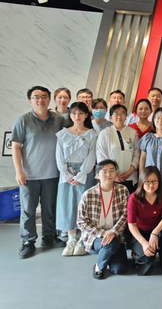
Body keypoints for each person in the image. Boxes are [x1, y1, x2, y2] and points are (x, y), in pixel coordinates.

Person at [12, 86, 67, 258]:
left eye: (44, 96)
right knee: (28, 210)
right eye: (36, 97)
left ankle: (49, 237)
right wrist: (19, 172)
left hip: (53, 174)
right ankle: (28, 241)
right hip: (29, 175)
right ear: (30, 100)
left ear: (49, 99)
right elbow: (16, 147)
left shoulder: (59, 119)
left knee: (49, 209)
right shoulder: (23, 120)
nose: (40, 100)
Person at [55, 101, 98, 256]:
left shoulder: (92, 134)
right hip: (66, 174)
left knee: (84, 205)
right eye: (74, 113)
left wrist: (81, 175)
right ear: (70, 115)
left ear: (86, 115)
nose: (77, 116)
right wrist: (66, 174)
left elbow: (92, 156)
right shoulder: (62, 134)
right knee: (67, 205)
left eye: (81, 113)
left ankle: (82, 240)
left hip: (85, 174)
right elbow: (59, 156)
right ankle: (71, 239)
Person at [77, 160, 129, 280]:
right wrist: (103, 233)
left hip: (116, 235)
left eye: (112, 171)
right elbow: (81, 221)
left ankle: (106, 254)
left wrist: (113, 232)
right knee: (111, 243)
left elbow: (125, 215)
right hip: (94, 237)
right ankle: (98, 267)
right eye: (104, 172)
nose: (108, 174)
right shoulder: (88, 194)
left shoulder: (122, 190)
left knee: (119, 269)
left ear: (116, 173)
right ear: (97, 174)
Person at [127, 166, 162, 275]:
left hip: (156, 230)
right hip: (140, 233)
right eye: (147, 181)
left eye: (154, 181)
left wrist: (155, 233)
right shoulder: (134, 198)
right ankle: (137, 255)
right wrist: (144, 243)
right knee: (147, 262)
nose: (151, 185)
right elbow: (131, 225)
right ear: (142, 182)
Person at [96, 104, 140, 193]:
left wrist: (129, 171)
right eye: (116, 113)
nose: (119, 116)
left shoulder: (133, 133)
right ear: (110, 117)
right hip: (110, 178)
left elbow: (137, 153)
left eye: (122, 113)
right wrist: (114, 175)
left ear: (126, 117)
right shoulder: (104, 134)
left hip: (130, 177)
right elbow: (101, 156)